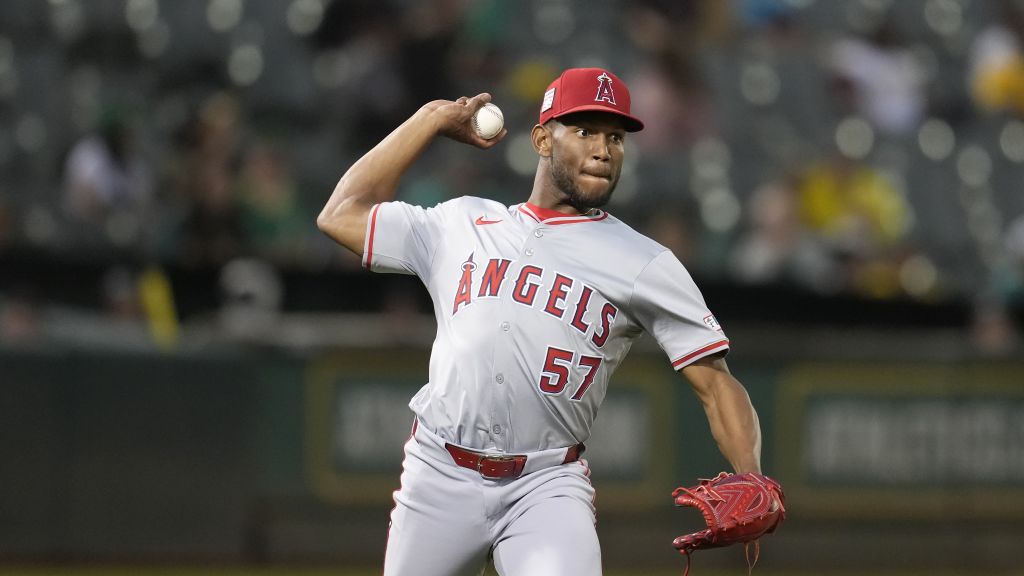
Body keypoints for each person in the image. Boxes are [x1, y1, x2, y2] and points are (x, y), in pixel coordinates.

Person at [317, 68, 764, 576]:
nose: (603, 149)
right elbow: (340, 214)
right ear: (541, 139)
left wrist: (752, 476)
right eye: (584, 131)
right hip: (439, 472)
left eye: (614, 137)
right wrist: (431, 118)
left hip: (546, 485)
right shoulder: (461, 223)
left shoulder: (646, 263)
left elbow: (716, 383)